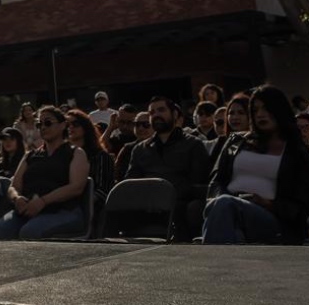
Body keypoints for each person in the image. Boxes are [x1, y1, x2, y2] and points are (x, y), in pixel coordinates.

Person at [201, 86, 309, 245]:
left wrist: (267, 203)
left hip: (274, 219)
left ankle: (212, 265)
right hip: (229, 207)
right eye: (255, 110)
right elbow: (216, 181)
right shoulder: (236, 143)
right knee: (231, 226)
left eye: (266, 108)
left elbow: (302, 205)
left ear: (280, 111)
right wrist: (224, 200)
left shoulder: (298, 153)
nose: (260, 114)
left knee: (225, 206)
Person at [0, 106, 89, 240]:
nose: (43, 127)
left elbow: (76, 187)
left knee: (30, 232)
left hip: (63, 211)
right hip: (28, 210)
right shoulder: (30, 156)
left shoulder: (75, 153)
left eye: (48, 123)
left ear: (62, 125)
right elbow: (14, 186)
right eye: (39, 124)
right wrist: (17, 198)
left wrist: (43, 201)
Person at [124, 96, 210, 240]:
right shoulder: (140, 149)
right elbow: (130, 183)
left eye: (161, 110)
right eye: (152, 112)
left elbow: (200, 185)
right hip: (146, 205)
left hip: (180, 204)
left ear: (175, 114)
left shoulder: (193, 145)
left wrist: (170, 193)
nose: (156, 115)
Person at [64, 108, 114, 216]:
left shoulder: (101, 156)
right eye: (67, 125)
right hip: (62, 207)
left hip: (89, 211)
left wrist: (81, 204)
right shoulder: (62, 157)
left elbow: (103, 191)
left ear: (85, 127)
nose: (70, 127)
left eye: (75, 124)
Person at [115, 112, 154, 180]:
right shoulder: (127, 148)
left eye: (146, 124)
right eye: (137, 124)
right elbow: (118, 174)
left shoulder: (163, 147)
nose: (140, 128)